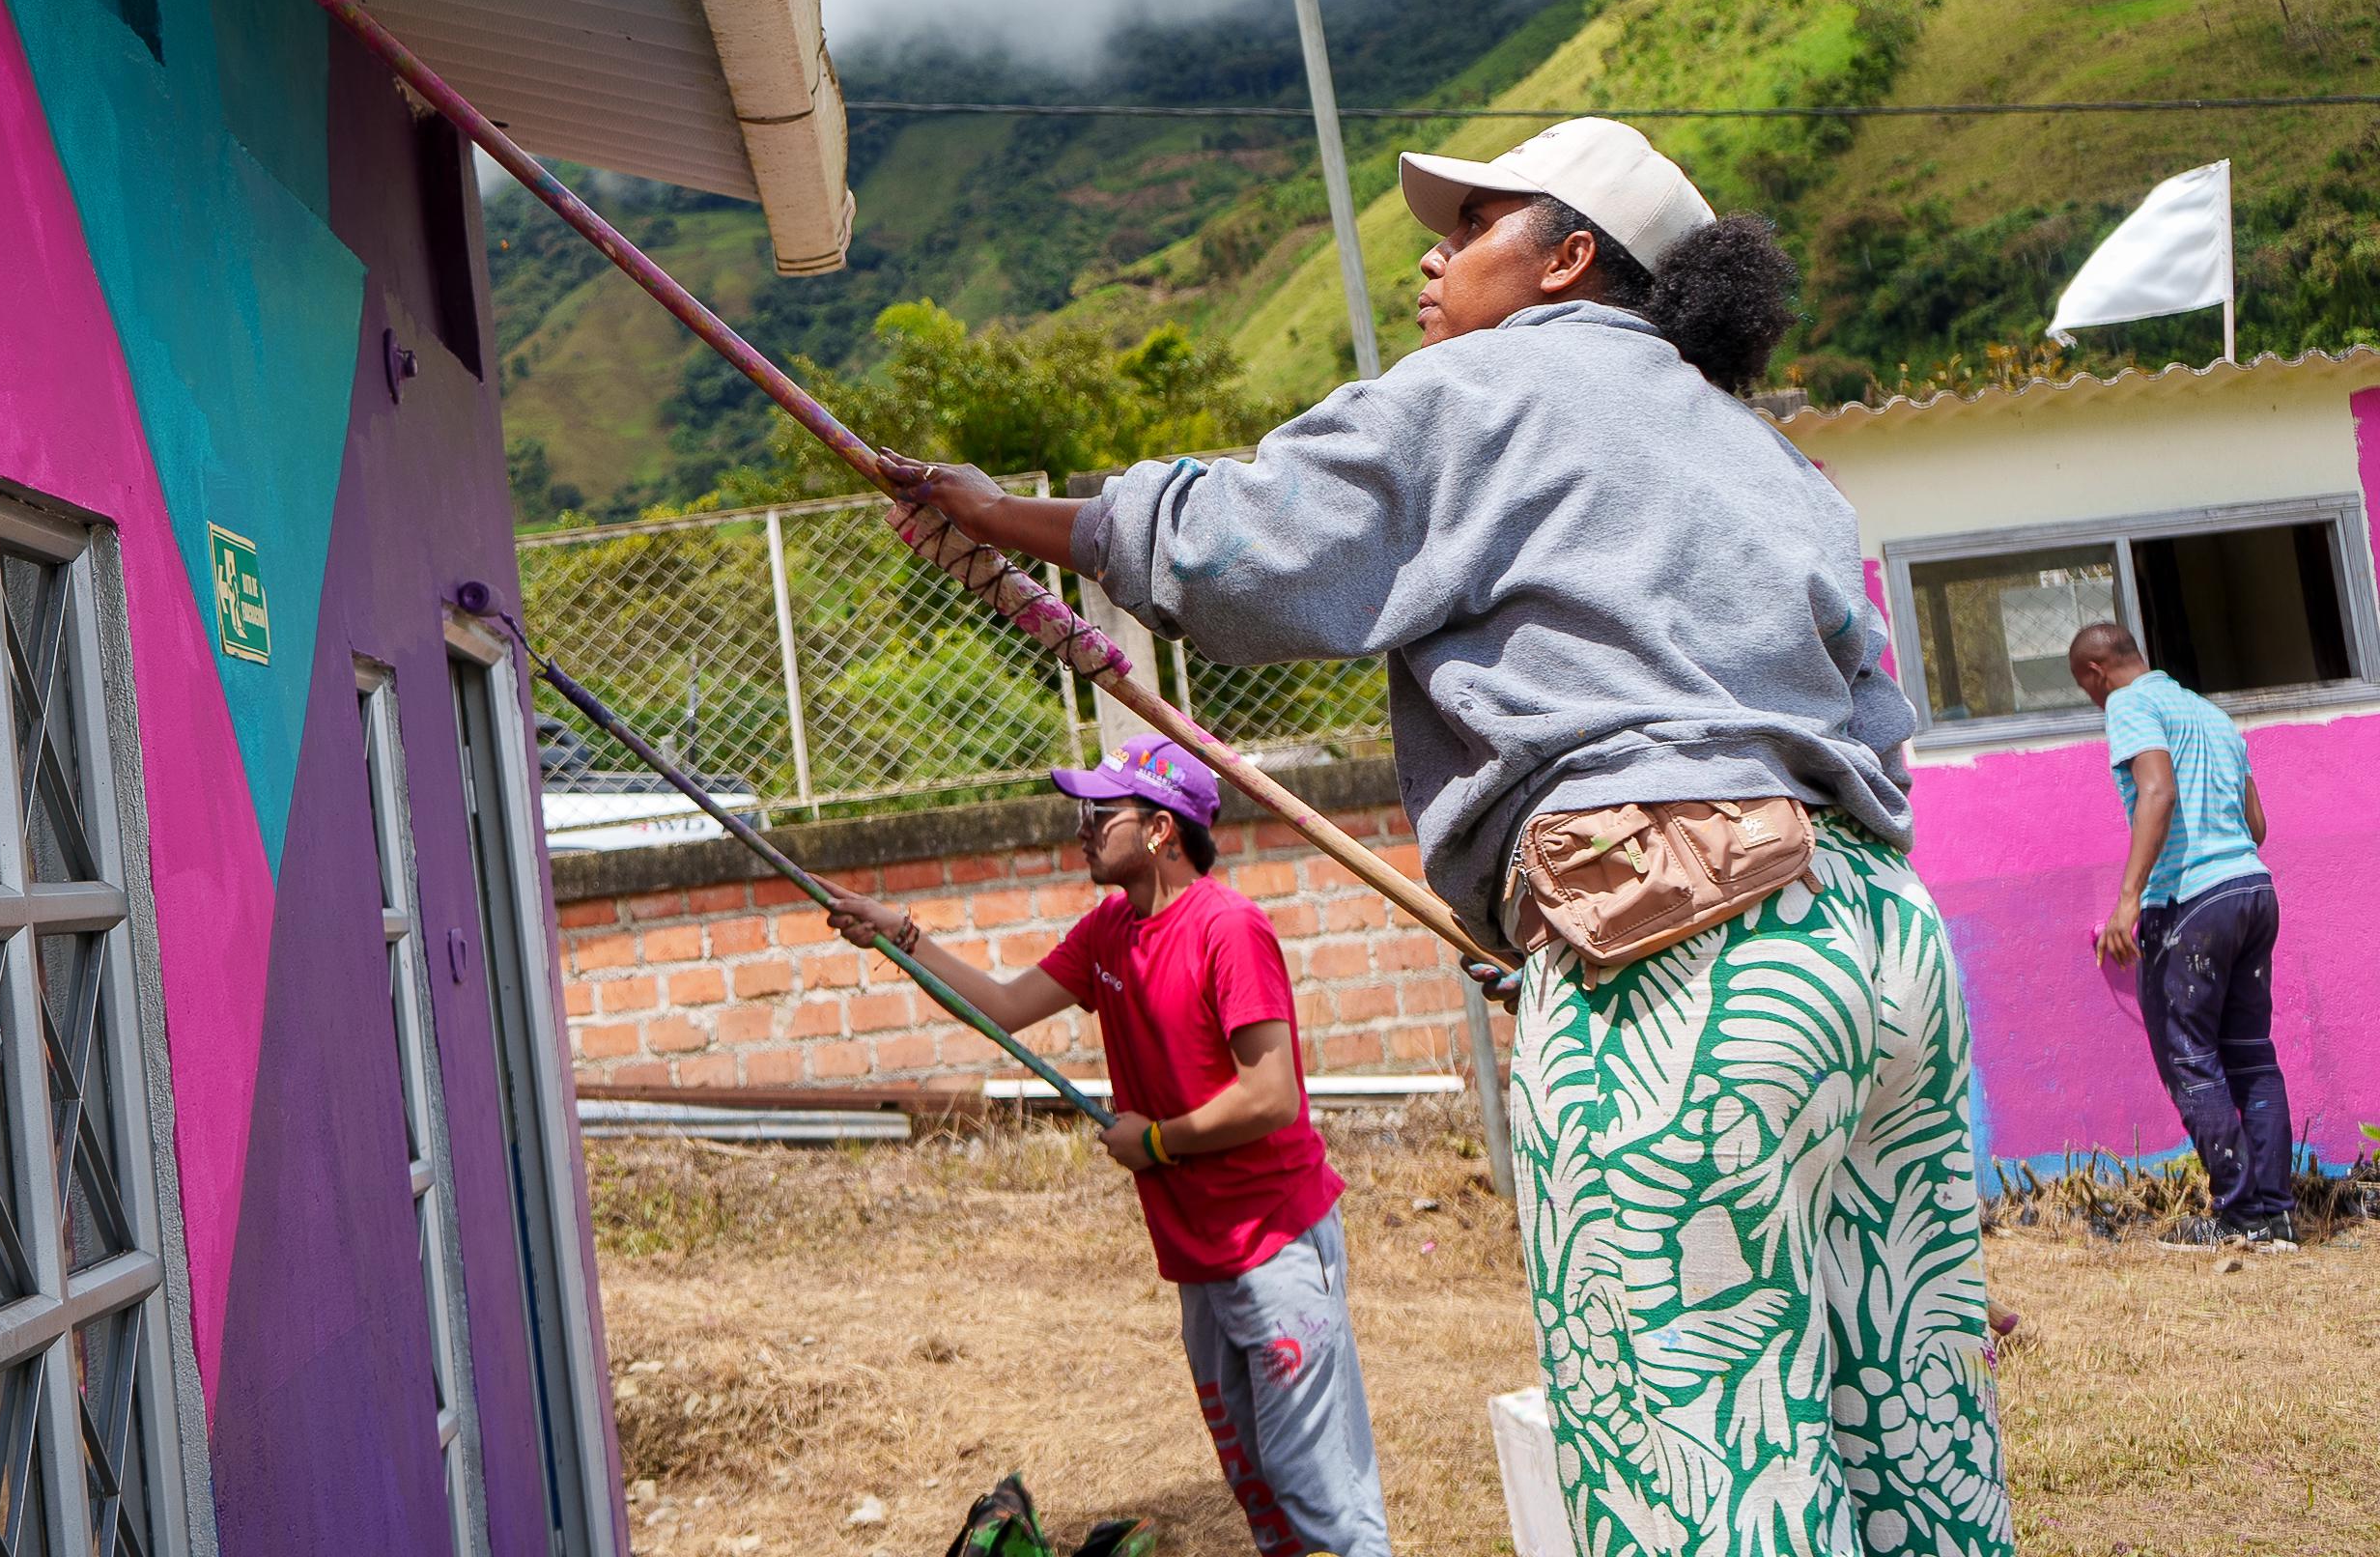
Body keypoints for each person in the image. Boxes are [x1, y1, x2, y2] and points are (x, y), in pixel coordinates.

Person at [879, 118, 2013, 1557]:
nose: (1433, 252)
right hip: (1876, 945)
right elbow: (1870, 717)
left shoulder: (1484, 386)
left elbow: (1242, 545)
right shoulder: (1765, 450)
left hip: (1680, 944)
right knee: (1901, 1428)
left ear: (1568, 260)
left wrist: (1007, 516)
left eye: (1473, 222)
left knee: (1702, 1449)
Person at [814, 736, 1390, 1557]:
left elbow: (1271, 1097)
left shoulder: (1230, 928)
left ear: (1160, 830)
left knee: (1320, 1493)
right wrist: (900, 933)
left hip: (1274, 1243)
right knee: (1259, 1488)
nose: (1082, 828)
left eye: (1100, 813)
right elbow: (1006, 1007)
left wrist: (1156, 1141)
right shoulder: (1110, 930)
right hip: (1198, 1252)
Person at [2066, 621, 2295, 1248]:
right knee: (2251, 1053)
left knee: (2190, 1058)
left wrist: (2128, 899)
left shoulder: (2129, 702)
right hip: (2252, 888)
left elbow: (2157, 791)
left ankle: (2242, 1216)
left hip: (2190, 900)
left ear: (2095, 673)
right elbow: (2256, 822)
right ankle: (2275, 1215)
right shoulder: (2208, 712)